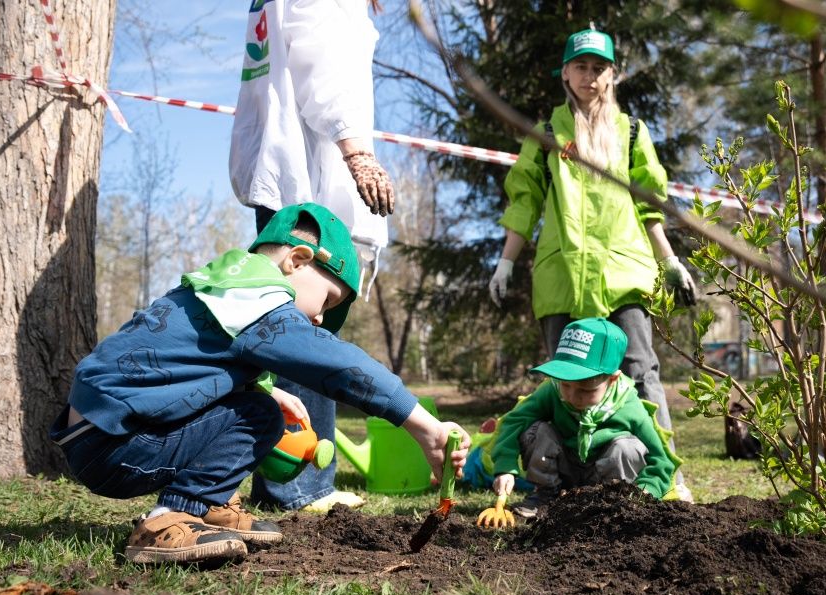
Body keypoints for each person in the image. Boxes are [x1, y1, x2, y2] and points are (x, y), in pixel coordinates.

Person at [48, 203, 470, 565]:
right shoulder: (259, 299)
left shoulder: (224, 286)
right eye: (328, 300)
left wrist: (267, 387)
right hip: (119, 445)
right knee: (260, 415)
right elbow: (340, 365)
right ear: (298, 261)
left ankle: (210, 504)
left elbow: (188, 367)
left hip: (97, 434)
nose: (320, 318)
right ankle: (171, 518)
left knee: (261, 401)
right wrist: (424, 426)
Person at [487, 28, 695, 501]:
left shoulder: (632, 132)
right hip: (561, 276)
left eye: (599, 68)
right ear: (565, 73)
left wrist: (670, 260)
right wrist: (505, 262)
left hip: (624, 273)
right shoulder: (547, 134)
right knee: (564, 380)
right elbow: (525, 199)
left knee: (639, 373)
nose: (589, 76)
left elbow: (649, 204)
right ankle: (558, 488)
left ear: (612, 75)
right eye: (580, 66)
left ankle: (668, 481)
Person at [228, 0, 395, 512]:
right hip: (305, 180)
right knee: (300, 331)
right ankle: (297, 488)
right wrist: (357, 151)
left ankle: (295, 482)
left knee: (298, 327)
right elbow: (321, 64)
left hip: (288, 176)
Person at [488, 319, 684, 519]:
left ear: (612, 379)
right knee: (537, 431)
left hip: (606, 480)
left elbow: (661, 460)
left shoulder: (629, 406)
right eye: (566, 385)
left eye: (585, 390)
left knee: (628, 447)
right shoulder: (551, 391)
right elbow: (514, 421)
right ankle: (546, 496)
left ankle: (612, 505)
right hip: (563, 472)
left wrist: (646, 492)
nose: (572, 396)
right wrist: (505, 467)